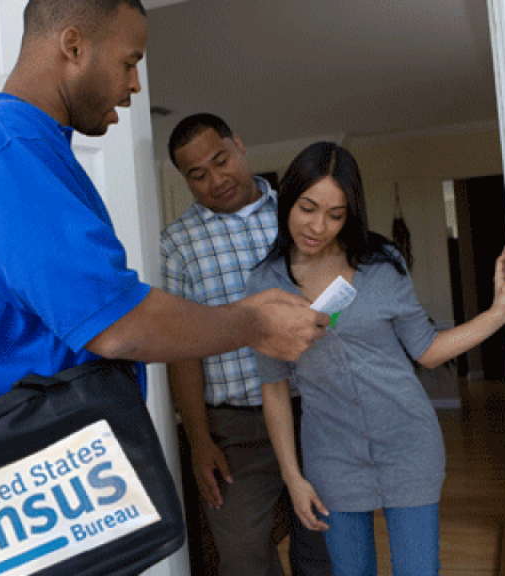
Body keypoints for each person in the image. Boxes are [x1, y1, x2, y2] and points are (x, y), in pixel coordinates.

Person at [0, 0, 330, 429]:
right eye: (129, 63)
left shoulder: (24, 144)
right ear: (73, 47)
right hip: (32, 449)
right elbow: (115, 324)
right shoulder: (9, 144)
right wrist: (254, 323)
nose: (136, 84)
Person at [246, 142, 505, 576]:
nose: (317, 226)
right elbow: (274, 388)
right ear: (288, 202)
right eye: (307, 208)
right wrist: (293, 478)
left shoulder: (382, 263)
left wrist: (497, 314)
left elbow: (427, 350)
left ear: (350, 215)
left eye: (335, 215)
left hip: (408, 444)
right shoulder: (265, 283)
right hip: (331, 456)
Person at [161, 114, 332, 576]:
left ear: (238, 144)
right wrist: (199, 439)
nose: (216, 180)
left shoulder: (297, 215)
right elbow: (182, 349)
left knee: (323, 547)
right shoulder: (177, 244)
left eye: (221, 161)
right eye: (198, 175)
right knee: (243, 559)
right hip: (235, 431)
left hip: (314, 414)